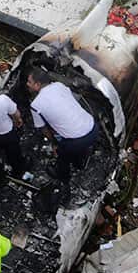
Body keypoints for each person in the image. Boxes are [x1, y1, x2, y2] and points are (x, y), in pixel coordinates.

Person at [27, 68, 97, 206]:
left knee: (62, 156)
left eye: (29, 82)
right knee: (76, 144)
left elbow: (43, 128)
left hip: (77, 140)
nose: (27, 84)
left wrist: (55, 144)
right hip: (92, 127)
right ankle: (80, 162)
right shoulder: (59, 85)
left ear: (37, 85)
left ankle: (64, 180)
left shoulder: (35, 105)